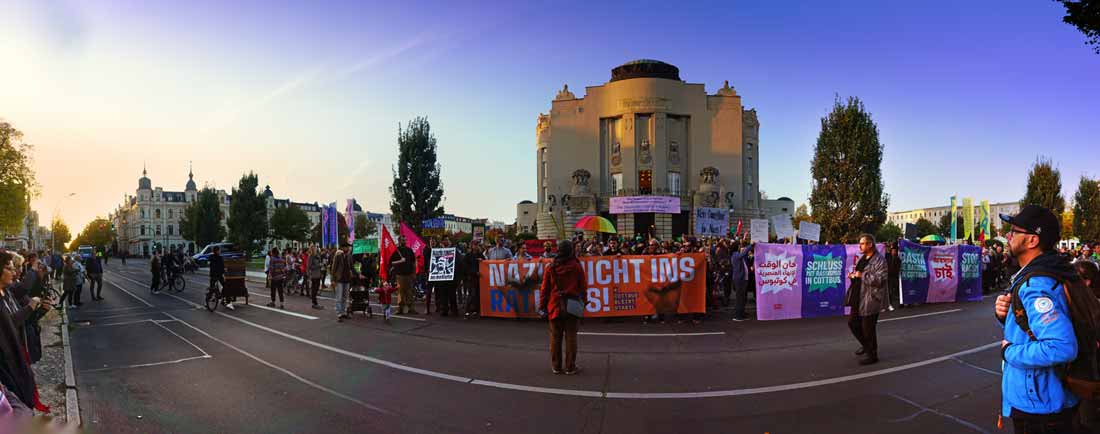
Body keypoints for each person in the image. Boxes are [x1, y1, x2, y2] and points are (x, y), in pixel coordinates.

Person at [992, 205, 1079, 433]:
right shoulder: (1049, 271)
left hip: (1039, 407)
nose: (1008, 236)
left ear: (1031, 240)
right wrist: (1008, 316)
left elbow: (1062, 347)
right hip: (1045, 401)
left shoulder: (1036, 284)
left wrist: (1009, 351)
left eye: (1014, 231)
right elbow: (1038, 327)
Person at [538, 240, 587, 375]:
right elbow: (583, 287)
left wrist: (542, 306)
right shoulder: (577, 266)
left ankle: (556, 366)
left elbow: (544, 289)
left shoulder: (551, 267)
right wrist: (584, 302)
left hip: (555, 305)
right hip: (572, 305)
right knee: (571, 337)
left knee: (555, 337)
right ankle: (570, 366)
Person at [0, 251, 37, 416]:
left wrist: (38, 310)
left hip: (19, 353)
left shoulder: (6, 292)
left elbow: (18, 322)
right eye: (9, 268)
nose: (14, 272)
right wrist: (30, 308)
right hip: (7, 365)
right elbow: (10, 324)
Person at [845, 234, 888, 365]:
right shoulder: (862, 258)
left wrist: (862, 275)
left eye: (863, 243)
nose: (860, 246)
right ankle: (866, 345)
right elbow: (859, 274)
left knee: (868, 328)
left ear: (870, 245)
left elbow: (881, 280)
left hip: (870, 298)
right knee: (852, 323)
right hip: (858, 297)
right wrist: (853, 276)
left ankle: (872, 355)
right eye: (860, 243)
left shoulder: (880, 260)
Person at [392, 237, 418, 315]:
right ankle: (400, 309)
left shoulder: (409, 250)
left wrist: (414, 273)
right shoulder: (396, 251)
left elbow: (413, 262)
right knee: (401, 292)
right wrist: (400, 261)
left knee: (410, 292)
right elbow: (392, 262)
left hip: (409, 275)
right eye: (403, 240)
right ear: (399, 241)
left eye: (405, 240)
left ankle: (411, 308)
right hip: (400, 275)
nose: (404, 241)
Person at [330, 243, 353, 322]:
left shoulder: (349, 256)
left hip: (347, 279)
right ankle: (339, 314)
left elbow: (352, 266)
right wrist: (333, 279)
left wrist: (358, 274)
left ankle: (343, 312)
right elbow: (333, 268)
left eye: (348, 247)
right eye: (347, 247)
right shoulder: (338, 256)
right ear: (343, 248)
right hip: (339, 279)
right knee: (339, 298)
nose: (348, 249)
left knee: (345, 297)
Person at [730, 241, 752, 322]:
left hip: (743, 279)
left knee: (743, 298)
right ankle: (738, 316)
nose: (740, 247)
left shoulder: (738, 255)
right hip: (739, 280)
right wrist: (750, 245)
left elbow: (744, 255)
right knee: (740, 298)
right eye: (739, 246)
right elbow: (743, 254)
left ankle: (741, 313)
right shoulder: (735, 255)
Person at [209, 246, 231, 310]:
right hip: (218, 275)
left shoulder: (211, 257)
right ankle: (227, 300)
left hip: (212, 275)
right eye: (219, 250)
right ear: (217, 251)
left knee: (211, 288)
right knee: (225, 286)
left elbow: (211, 265)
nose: (220, 251)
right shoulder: (220, 258)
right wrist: (224, 270)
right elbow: (222, 266)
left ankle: (208, 299)